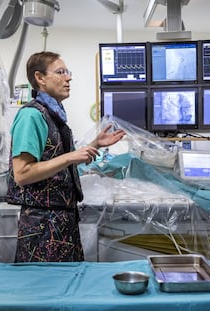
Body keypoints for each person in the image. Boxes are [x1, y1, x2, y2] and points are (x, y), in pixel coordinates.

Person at [7, 51, 125, 263]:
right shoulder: (31, 116)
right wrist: (70, 157)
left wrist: (94, 144)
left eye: (67, 72)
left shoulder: (54, 117)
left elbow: (56, 161)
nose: (68, 77)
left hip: (61, 221)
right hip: (42, 227)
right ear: (40, 78)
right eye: (60, 72)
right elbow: (22, 174)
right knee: (47, 291)